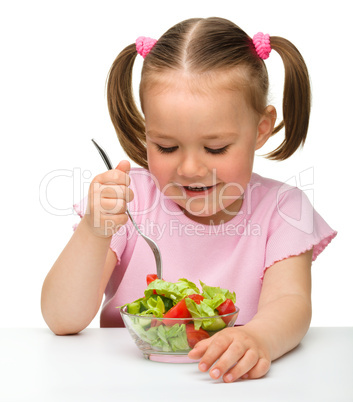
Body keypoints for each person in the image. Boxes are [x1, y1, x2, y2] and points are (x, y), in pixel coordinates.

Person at [41, 17, 337, 382]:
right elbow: (62, 319)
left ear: (261, 128)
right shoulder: (132, 201)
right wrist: (93, 231)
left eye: (216, 148)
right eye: (166, 146)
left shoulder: (284, 209)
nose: (191, 168)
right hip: (126, 383)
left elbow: (290, 303)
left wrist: (256, 337)